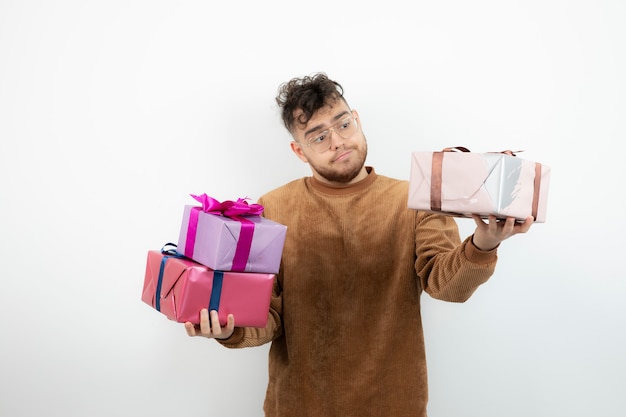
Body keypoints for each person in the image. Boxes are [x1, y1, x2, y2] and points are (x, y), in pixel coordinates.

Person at [184, 72, 533, 416]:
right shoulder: (274, 208)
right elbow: (268, 314)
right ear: (299, 151)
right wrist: (231, 329)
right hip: (298, 406)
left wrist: (484, 244)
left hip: (394, 405)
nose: (337, 141)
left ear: (357, 120)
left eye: (343, 125)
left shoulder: (414, 202)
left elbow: (447, 287)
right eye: (318, 137)